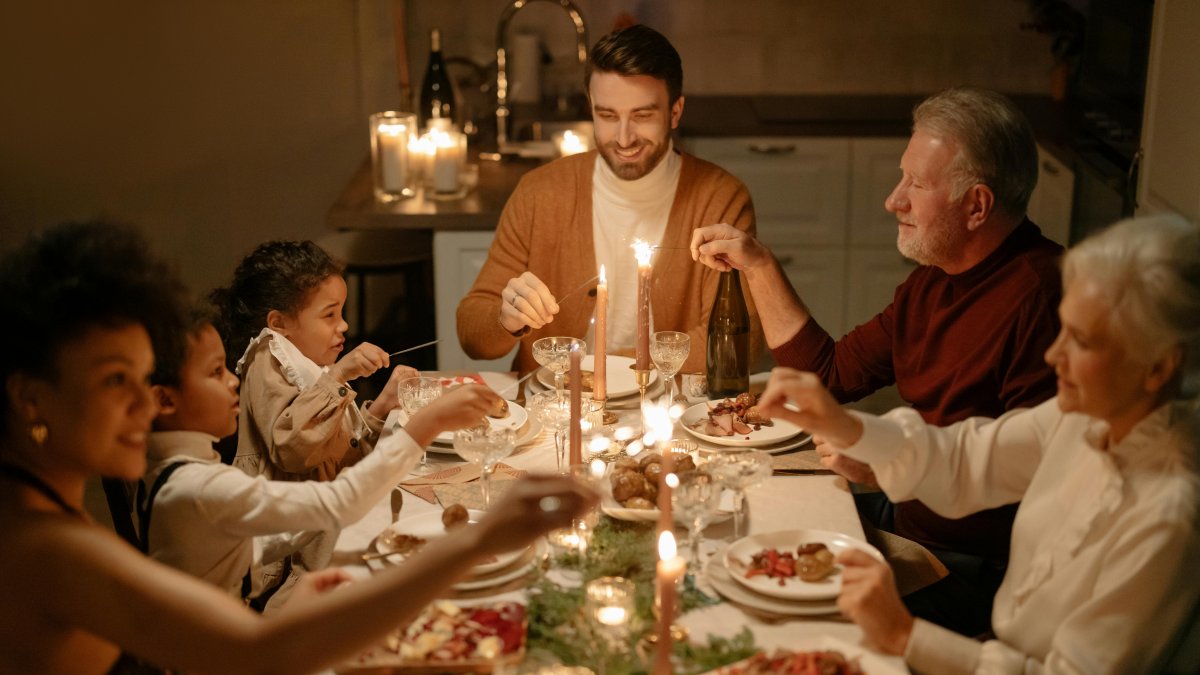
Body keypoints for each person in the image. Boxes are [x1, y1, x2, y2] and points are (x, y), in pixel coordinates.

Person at [0, 220, 596, 674]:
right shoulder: (45, 549)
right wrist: (482, 540)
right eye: (113, 380)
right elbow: (261, 653)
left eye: (143, 377)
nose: (145, 402)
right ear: (30, 399)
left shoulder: (42, 513)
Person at [691, 86, 1063, 634]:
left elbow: (1033, 480)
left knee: (765, 618)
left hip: (976, 570)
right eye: (901, 177)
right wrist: (758, 265)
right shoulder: (933, 283)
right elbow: (830, 376)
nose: (894, 200)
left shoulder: (1045, 297)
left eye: (917, 184)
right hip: (909, 522)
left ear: (977, 205)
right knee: (735, 537)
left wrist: (892, 470)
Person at [757, 214, 1200, 673]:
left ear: (1159, 368)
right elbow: (965, 459)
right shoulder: (1087, 418)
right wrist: (845, 425)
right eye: (1062, 329)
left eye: (1082, 342)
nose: (1054, 355)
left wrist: (905, 635)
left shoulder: (1168, 516)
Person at [142, 304, 503, 606]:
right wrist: (429, 422)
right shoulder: (196, 488)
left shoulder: (185, 473)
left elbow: (253, 540)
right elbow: (337, 500)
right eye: (215, 372)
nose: (233, 380)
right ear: (165, 400)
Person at [457, 24, 762, 374]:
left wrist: (603, 368)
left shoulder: (720, 198)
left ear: (675, 112)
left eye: (642, 115)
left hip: (663, 410)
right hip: (554, 409)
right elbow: (471, 335)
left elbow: (738, 343)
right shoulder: (539, 192)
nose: (623, 137)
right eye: (607, 115)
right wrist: (504, 318)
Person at [210, 239, 416, 483]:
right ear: (279, 324)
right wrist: (338, 375)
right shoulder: (267, 356)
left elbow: (343, 459)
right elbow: (293, 451)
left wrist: (382, 406)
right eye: (329, 314)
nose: (344, 325)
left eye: (341, 312)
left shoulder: (314, 364)